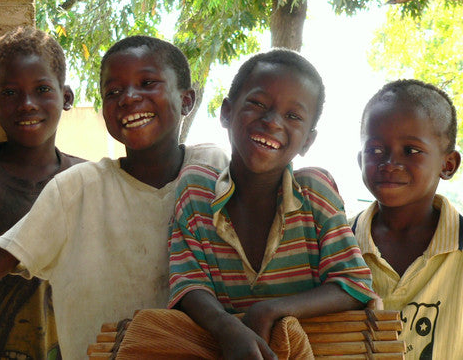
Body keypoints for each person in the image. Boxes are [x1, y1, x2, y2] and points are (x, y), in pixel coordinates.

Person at [0, 35, 228, 359]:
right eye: (113, 92)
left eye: (147, 83)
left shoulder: (213, 170)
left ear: (187, 100)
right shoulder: (74, 190)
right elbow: (0, 260)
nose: (128, 98)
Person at [136, 49, 375, 359]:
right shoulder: (197, 192)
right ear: (226, 112)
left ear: (308, 141)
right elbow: (187, 285)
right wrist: (226, 328)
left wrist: (269, 311)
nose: (272, 121)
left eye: (293, 116)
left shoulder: (315, 192)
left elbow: (353, 283)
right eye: (258, 104)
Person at [0, 27, 84, 359]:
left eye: (42, 89)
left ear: (66, 97)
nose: (27, 105)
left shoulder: (88, 182)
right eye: (10, 93)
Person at [351, 79, 462, 359]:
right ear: (359, 159)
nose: (389, 163)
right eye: (375, 150)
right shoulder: (334, 243)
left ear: (448, 165)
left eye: (411, 151)